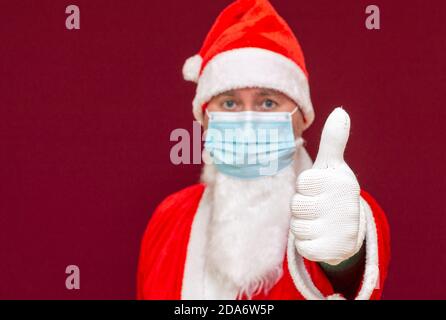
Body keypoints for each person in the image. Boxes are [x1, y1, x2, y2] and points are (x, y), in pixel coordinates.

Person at [137, 0, 390, 300]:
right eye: (229, 103)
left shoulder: (336, 205)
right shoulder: (168, 219)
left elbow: (350, 271)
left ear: (301, 118)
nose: (247, 123)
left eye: (268, 102)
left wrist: (343, 259)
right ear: (204, 119)